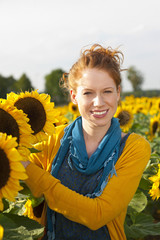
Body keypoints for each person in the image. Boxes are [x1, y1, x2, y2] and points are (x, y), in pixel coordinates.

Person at [22, 44, 151, 240]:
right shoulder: (53, 140)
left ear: (118, 92)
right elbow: (20, 174)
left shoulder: (133, 148)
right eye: (88, 93)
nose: (98, 102)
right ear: (74, 96)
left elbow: (97, 215)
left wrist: (36, 176)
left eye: (107, 91)